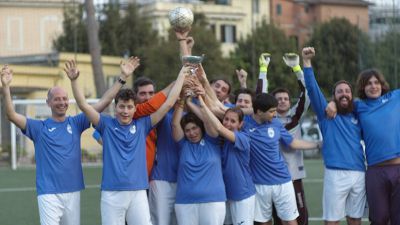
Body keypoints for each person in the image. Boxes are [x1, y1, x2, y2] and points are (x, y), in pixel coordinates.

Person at [0, 57, 139, 225]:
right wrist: (6, 88)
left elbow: (104, 101)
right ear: (48, 102)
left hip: (73, 191)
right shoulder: (38, 127)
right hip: (48, 193)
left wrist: (122, 78)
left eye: (64, 98)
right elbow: (12, 115)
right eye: (57, 99)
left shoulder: (76, 122)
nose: (62, 102)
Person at [65, 59, 188, 225]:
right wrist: (74, 81)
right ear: (115, 108)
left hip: (138, 193)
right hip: (112, 194)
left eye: (129, 107)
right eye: (122, 107)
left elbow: (168, 104)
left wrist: (183, 71)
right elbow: (83, 105)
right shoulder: (105, 124)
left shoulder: (143, 125)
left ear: (135, 109)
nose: (125, 111)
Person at [302, 47, 366, 225]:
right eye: (339, 91)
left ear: (351, 95)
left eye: (347, 91)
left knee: (355, 219)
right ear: (334, 96)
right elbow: (313, 89)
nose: (344, 93)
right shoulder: (326, 114)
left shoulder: (358, 114)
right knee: (332, 221)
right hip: (335, 174)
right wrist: (307, 63)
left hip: (359, 173)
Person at [244, 93, 320, 225]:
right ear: (260, 112)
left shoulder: (276, 123)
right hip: (259, 184)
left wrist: (318, 144)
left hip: (283, 181)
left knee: (290, 221)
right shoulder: (244, 123)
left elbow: (293, 143)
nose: (275, 114)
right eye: (272, 111)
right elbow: (220, 109)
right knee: (264, 222)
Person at [257, 52, 311, 225]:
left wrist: (297, 69)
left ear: (290, 102)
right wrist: (263, 70)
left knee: (299, 220)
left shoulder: (295, 117)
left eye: (285, 99)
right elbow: (259, 98)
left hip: (293, 177)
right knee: (273, 220)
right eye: (278, 99)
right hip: (269, 178)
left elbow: (307, 93)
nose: (282, 101)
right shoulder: (265, 120)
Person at [194, 94, 256, 225]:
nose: (228, 123)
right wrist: (188, 102)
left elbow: (218, 127)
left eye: (233, 121)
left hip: (242, 195)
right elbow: (206, 120)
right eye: (226, 119)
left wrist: (201, 100)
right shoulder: (220, 138)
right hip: (224, 194)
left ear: (240, 124)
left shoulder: (243, 138)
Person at [171, 93, 226, 225]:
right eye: (188, 130)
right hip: (185, 202)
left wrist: (195, 102)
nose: (192, 133)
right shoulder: (183, 145)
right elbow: (174, 124)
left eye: (195, 128)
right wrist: (183, 100)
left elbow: (209, 121)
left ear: (201, 128)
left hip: (213, 201)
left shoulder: (213, 141)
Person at [353, 68, 400, 225]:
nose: (373, 86)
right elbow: (341, 101)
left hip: (398, 168)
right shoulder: (359, 107)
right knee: (379, 218)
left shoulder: (395, 97)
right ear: (362, 88)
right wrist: (332, 103)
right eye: (368, 84)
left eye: (376, 82)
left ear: (382, 84)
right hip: (375, 172)